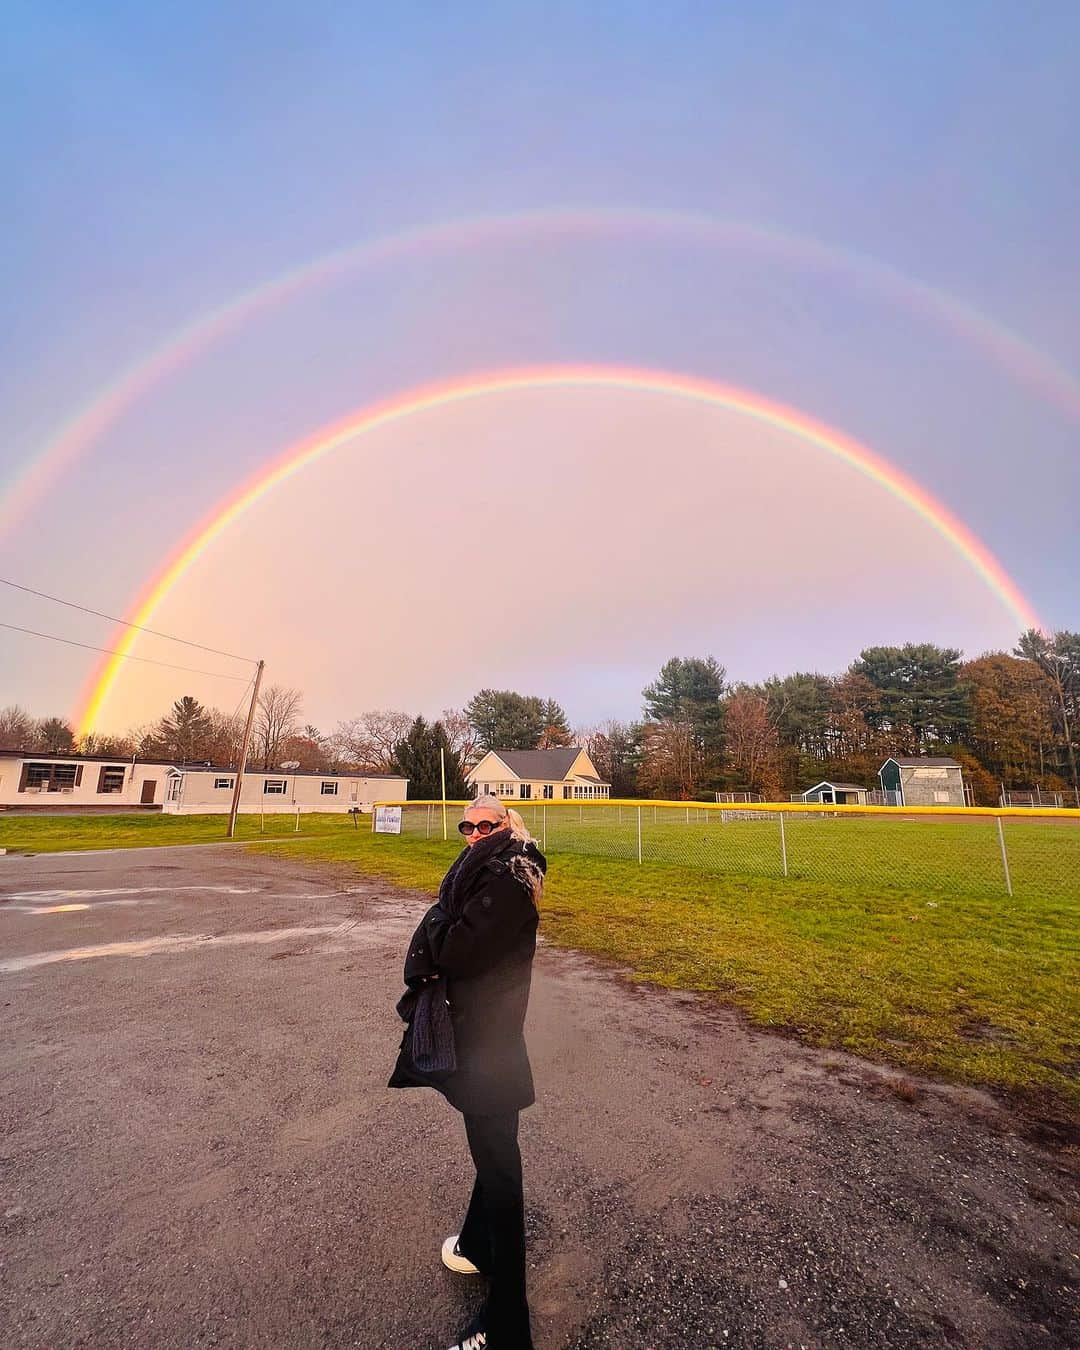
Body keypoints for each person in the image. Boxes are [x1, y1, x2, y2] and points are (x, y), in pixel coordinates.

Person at [389, 794, 547, 1350]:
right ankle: (478, 1246)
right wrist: (443, 920)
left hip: (491, 1047)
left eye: (488, 823)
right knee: (493, 1149)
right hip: (485, 1040)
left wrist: (435, 917)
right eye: (469, 825)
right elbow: (452, 940)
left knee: (501, 1173)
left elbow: (454, 951)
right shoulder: (484, 873)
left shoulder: (506, 881)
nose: (476, 832)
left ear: (508, 825)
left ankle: (507, 1326)